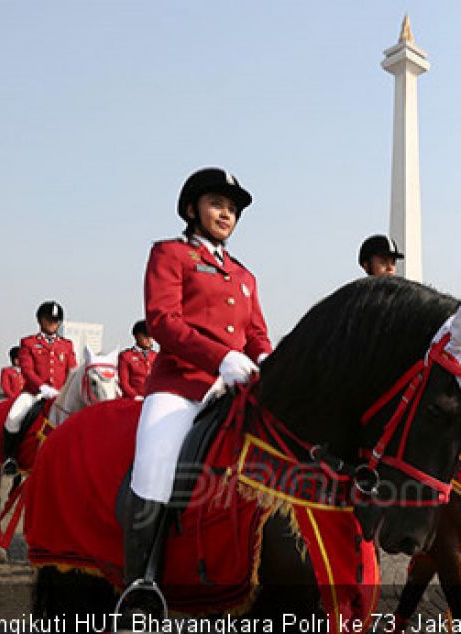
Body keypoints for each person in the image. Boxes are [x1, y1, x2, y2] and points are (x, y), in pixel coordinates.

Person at [124, 167, 273, 586]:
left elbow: (258, 335)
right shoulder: (170, 254)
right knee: (155, 465)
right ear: (192, 209)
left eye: (232, 209)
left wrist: (269, 362)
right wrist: (220, 357)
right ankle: (140, 585)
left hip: (235, 388)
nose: (226, 215)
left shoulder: (246, 276)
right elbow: (163, 321)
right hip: (181, 385)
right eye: (216, 205)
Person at [1, 301, 77, 475]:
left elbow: (72, 370)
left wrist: (64, 390)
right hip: (34, 393)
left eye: (55, 320)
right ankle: (10, 458)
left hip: (60, 394)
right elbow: (26, 370)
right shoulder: (28, 343)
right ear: (40, 321)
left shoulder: (67, 345)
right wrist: (42, 387)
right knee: (13, 417)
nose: (52, 323)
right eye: (48, 319)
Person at [118, 320, 157, 400]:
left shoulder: (156, 356)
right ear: (136, 336)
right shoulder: (126, 356)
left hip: (153, 399)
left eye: (151, 336)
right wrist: (135, 396)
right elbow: (124, 383)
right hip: (132, 400)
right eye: (146, 336)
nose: (149, 339)